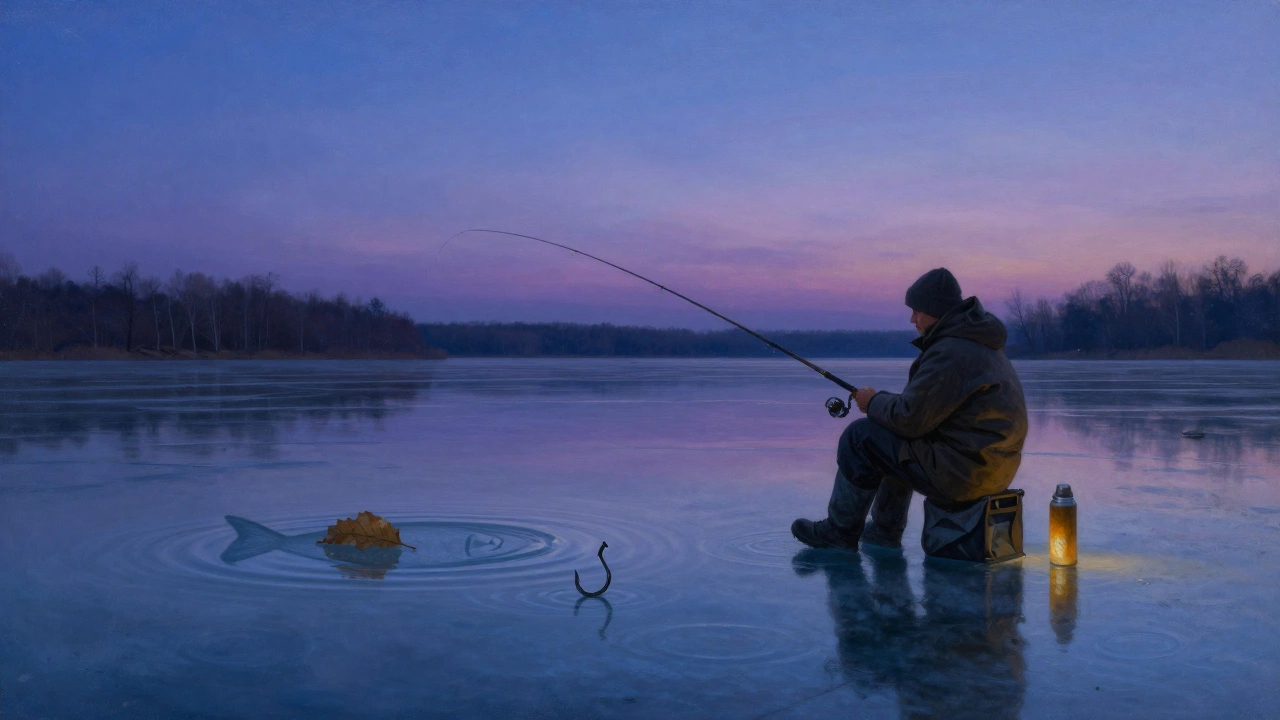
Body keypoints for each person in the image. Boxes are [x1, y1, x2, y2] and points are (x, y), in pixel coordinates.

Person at [792, 267, 1028, 550]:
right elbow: (919, 413)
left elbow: (909, 419)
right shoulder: (975, 344)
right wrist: (879, 402)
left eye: (918, 311)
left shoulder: (951, 351)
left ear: (936, 310)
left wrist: (872, 403)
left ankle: (840, 532)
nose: (912, 319)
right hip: (989, 468)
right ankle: (883, 530)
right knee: (893, 439)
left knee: (861, 437)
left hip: (965, 473)